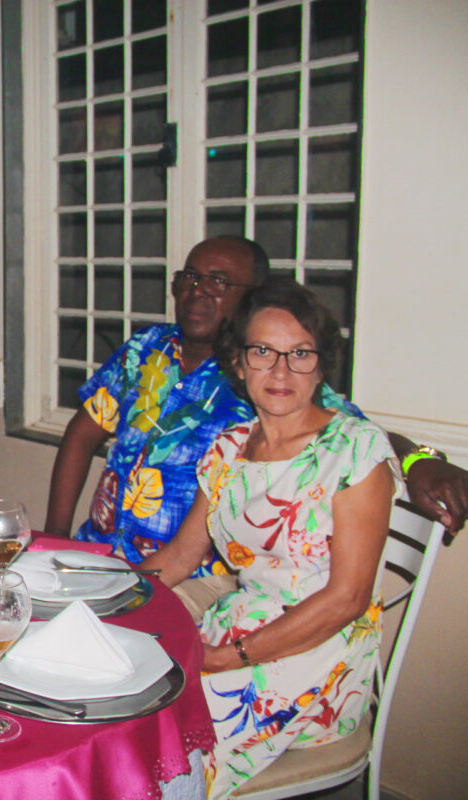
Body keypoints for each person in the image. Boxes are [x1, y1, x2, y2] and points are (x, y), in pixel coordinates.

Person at [44, 236, 467, 574]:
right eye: (190, 277)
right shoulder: (145, 349)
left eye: (219, 282)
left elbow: (356, 432)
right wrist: (57, 538)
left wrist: (420, 460)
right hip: (98, 554)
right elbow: (82, 434)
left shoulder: (265, 375)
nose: (197, 291)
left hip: (190, 578)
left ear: (252, 299)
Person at [142, 280, 399, 798]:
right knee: (127, 702)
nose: (280, 371)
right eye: (263, 351)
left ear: (321, 366)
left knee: (167, 748)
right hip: (239, 628)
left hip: (321, 656)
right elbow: (182, 555)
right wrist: (103, 593)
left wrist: (228, 658)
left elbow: (347, 599)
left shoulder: (354, 450)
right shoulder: (229, 449)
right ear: (239, 363)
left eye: (300, 353)